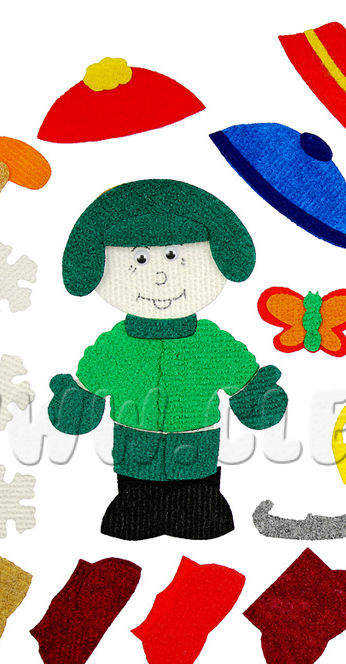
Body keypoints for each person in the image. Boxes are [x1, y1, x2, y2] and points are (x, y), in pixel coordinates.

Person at [48, 178, 286, 540]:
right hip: (134, 458)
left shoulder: (210, 344)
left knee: (201, 515)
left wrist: (258, 399)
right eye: (140, 259)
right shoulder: (116, 347)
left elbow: (244, 383)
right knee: (134, 516)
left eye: (173, 256)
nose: (160, 276)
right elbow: (88, 389)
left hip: (197, 459)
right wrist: (76, 402)